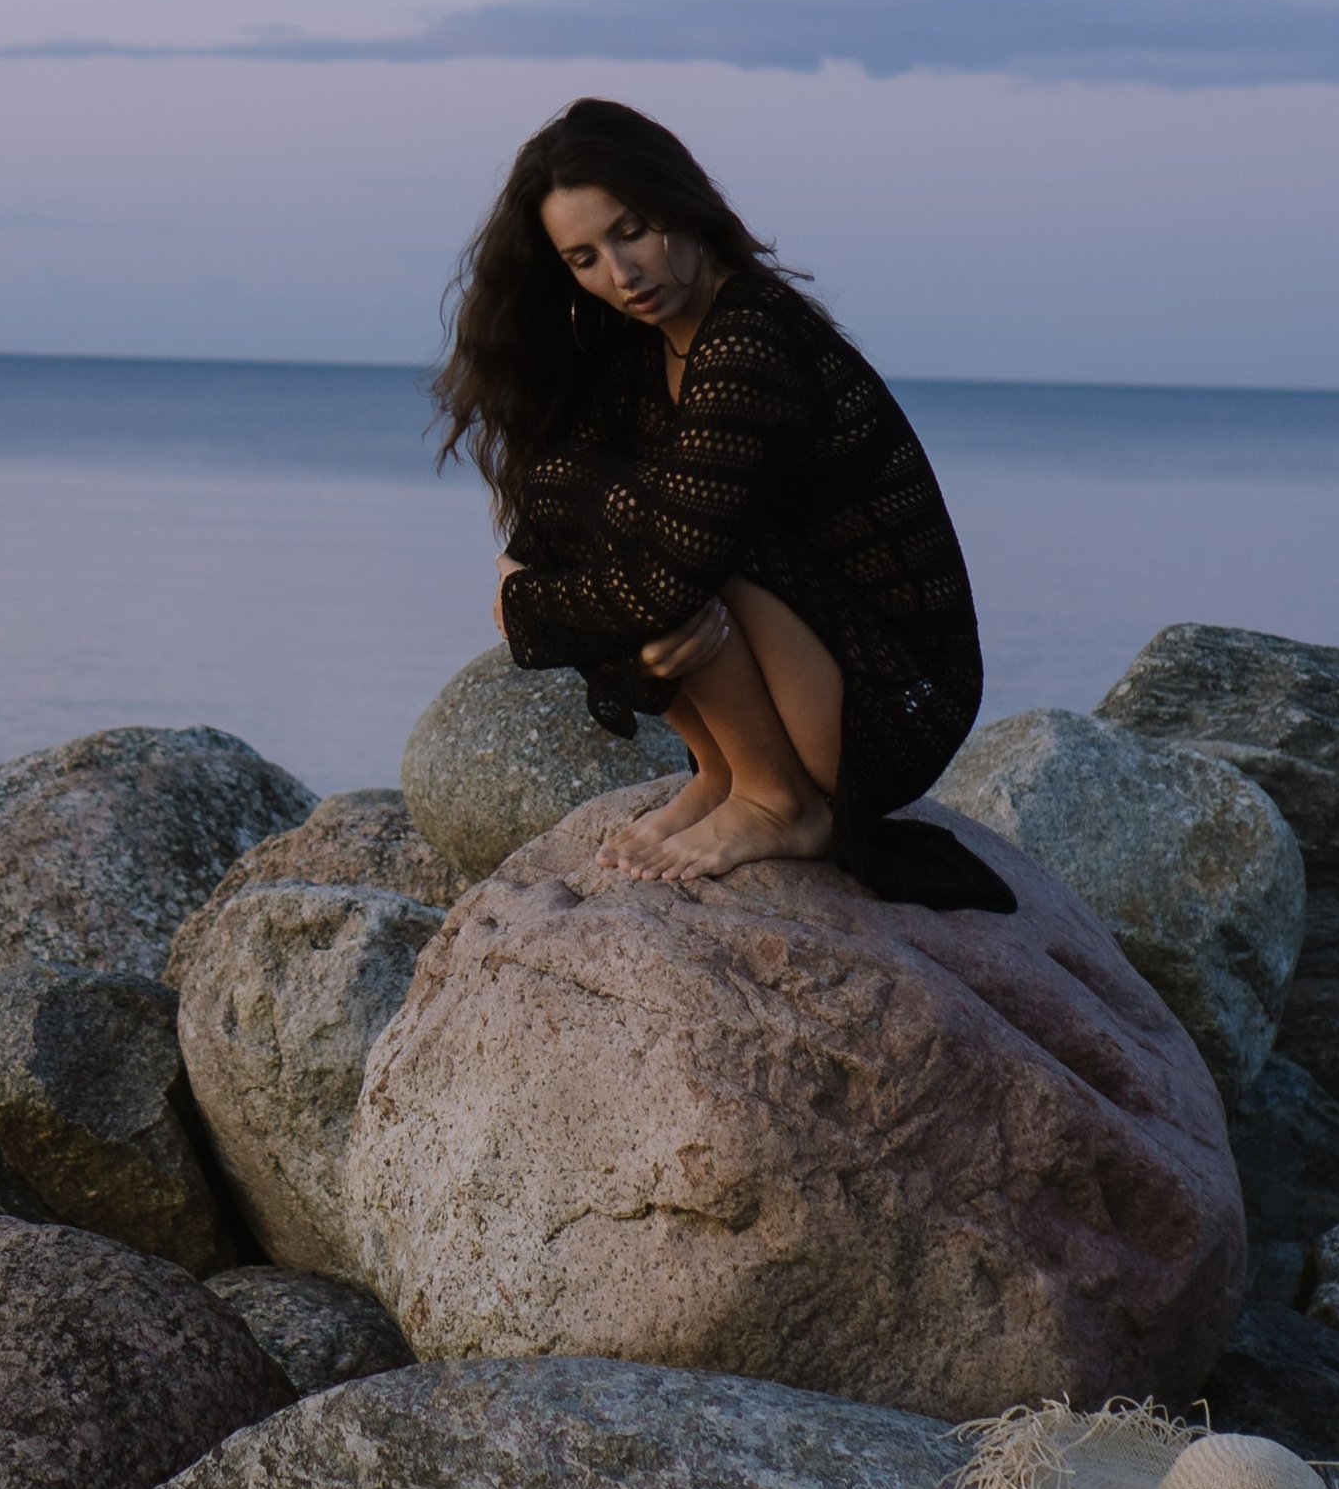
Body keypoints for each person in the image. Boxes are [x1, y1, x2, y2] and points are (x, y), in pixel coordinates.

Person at [432, 97, 1012, 908]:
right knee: (600, 504)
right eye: (584, 257)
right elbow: (556, 504)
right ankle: (726, 771)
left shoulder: (748, 340)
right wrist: (527, 574)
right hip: (815, 660)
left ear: (682, 204)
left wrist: (524, 602)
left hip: (892, 702)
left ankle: (778, 800)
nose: (621, 274)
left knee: (673, 553)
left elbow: (670, 576)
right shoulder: (645, 348)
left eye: (631, 230)